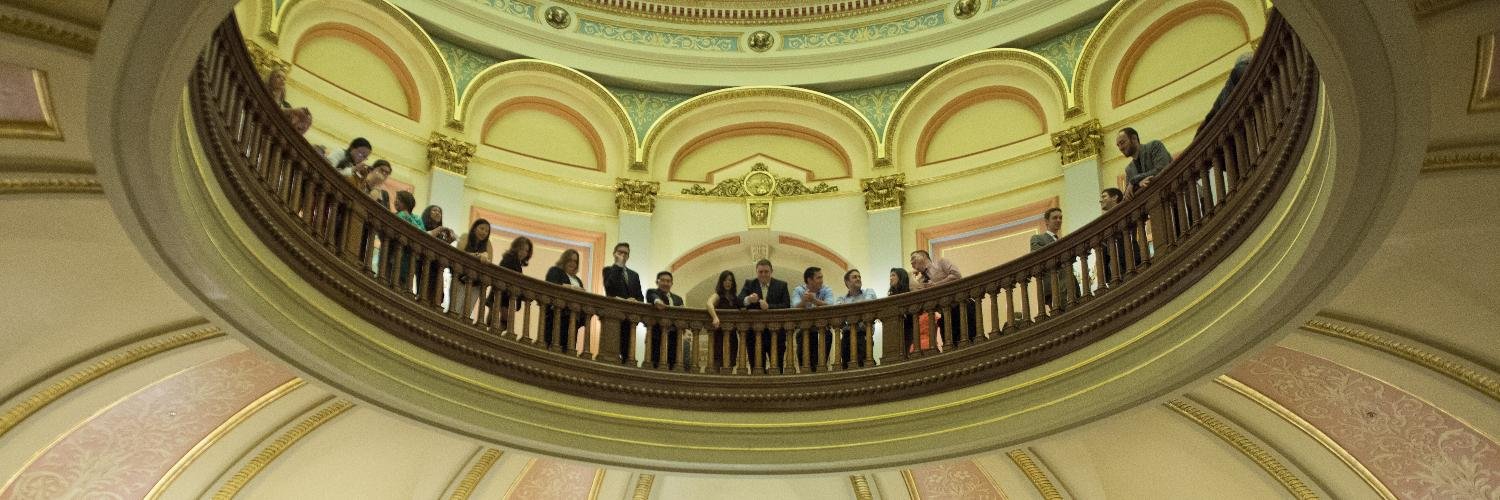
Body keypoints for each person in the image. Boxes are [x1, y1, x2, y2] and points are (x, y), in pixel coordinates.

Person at [911, 249, 977, 345]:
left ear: (924, 256)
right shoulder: (921, 281)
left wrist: (936, 285)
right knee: (951, 347)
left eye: (913, 258)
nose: (911, 262)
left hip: (962, 308)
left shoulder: (941, 263)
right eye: (911, 261)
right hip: (945, 316)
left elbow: (956, 275)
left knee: (971, 341)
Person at [739, 259, 791, 373]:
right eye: (760, 272)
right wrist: (748, 299)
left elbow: (786, 306)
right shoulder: (749, 283)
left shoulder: (782, 285)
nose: (763, 274)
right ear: (756, 272)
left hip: (776, 334)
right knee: (756, 370)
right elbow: (739, 301)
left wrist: (769, 307)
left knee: (777, 369)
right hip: (754, 334)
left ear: (771, 271)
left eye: (766, 271)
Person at [1030, 208, 1080, 313]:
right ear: (1047, 221)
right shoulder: (1038, 238)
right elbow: (1036, 255)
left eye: (1060, 218)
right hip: (1053, 284)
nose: (1059, 220)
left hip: (1070, 283)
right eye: (1055, 218)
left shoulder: (1062, 240)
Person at [602, 242, 643, 364]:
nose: (623, 255)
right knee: (611, 351)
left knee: (627, 352)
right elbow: (610, 288)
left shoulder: (634, 275)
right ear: (614, 254)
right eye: (620, 252)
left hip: (630, 318)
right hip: (613, 316)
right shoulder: (608, 270)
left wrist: (635, 301)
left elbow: (640, 297)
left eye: (626, 253)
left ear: (628, 256)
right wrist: (618, 265)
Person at [1199, 53, 1255, 135]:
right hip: (1235, 119)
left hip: (1230, 122)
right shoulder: (1240, 69)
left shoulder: (1227, 87)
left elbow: (1211, 115)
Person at [832, 269, 877, 369]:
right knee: (846, 365)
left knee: (864, 365)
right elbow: (837, 313)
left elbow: (867, 305)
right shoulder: (841, 299)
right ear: (847, 282)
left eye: (859, 277)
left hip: (863, 335)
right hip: (846, 337)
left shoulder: (868, 292)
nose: (858, 279)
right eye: (854, 277)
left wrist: (848, 311)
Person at [791, 266, 834, 372]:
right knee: (804, 365)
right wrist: (804, 301)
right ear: (809, 280)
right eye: (818, 278)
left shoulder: (826, 290)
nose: (821, 280)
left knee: (820, 365)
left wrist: (814, 300)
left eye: (821, 277)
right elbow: (794, 307)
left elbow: (831, 306)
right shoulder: (799, 290)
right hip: (804, 331)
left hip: (823, 331)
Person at [451, 219, 494, 320]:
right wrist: (477, 256)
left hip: (476, 283)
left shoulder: (488, 244)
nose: (484, 232)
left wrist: (484, 257)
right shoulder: (465, 236)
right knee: (455, 309)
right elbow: (459, 253)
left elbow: (489, 261)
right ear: (475, 228)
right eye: (481, 228)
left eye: (487, 231)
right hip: (460, 279)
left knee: (466, 313)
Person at [542, 249, 585, 353]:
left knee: (567, 350)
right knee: (553, 348)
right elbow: (552, 286)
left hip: (573, 320)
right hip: (557, 317)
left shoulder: (578, 281)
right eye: (570, 260)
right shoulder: (555, 271)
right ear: (564, 260)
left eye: (575, 261)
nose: (573, 263)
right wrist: (571, 288)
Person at [645, 271, 685, 370]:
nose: (665, 283)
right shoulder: (652, 292)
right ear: (657, 282)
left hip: (674, 335)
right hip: (657, 335)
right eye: (663, 280)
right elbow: (653, 297)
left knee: (673, 362)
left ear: (671, 283)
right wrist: (657, 301)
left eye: (668, 281)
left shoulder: (678, 299)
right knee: (655, 361)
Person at [705, 270, 743, 372]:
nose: (727, 282)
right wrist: (715, 317)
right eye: (725, 280)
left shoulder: (735, 298)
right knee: (717, 361)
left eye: (730, 280)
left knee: (730, 362)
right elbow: (709, 304)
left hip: (732, 335)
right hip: (719, 334)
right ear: (721, 282)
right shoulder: (718, 295)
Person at [418, 205, 456, 307]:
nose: (437, 213)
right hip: (424, 264)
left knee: (436, 296)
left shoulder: (441, 233)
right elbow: (424, 238)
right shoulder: (423, 226)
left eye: (439, 212)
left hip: (437, 267)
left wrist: (450, 240)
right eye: (434, 210)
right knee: (424, 292)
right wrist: (439, 229)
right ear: (428, 213)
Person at [492, 236, 531, 332]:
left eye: (526, 251)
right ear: (516, 247)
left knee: (502, 323)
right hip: (504, 296)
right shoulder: (510, 259)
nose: (524, 253)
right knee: (500, 323)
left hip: (506, 297)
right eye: (522, 249)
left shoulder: (516, 262)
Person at [888, 268, 931, 353]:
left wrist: (910, 274)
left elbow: (917, 289)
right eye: (890, 276)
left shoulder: (909, 291)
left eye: (893, 275)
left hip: (911, 325)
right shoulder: (891, 295)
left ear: (901, 277)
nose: (890, 278)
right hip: (898, 328)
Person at [1117, 127, 1172, 192]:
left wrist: (1134, 180)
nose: (1120, 148)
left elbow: (1162, 169)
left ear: (1134, 138)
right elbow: (1128, 193)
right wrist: (1138, 184)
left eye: (1122, 142)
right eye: (1118, 145)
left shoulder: (1154, 146)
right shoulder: (1129, 169)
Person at [393, 191, 422, 288]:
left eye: (399, 199)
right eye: (396, 199)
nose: (396, 201)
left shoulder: (412, 217)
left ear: (407, 202)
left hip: (406, 257)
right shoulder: (397, 215)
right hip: (397, 255)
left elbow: (421, 232)